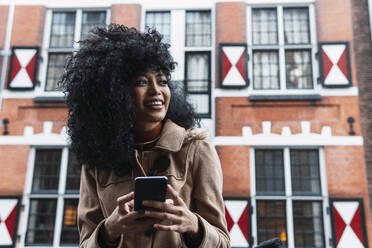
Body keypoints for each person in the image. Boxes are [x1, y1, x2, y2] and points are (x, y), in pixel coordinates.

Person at [60, 24, 230, 248]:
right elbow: (86, 243)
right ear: (114, 93)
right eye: (141, 82)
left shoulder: (197, 148)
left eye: (162, 81)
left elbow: (223, 242)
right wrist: (109, 230)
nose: (156, 91)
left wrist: (193, 225)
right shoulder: (97, 159)